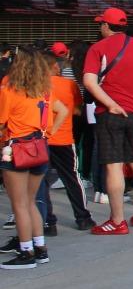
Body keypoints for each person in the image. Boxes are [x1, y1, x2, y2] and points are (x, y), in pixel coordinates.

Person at [81, 7, 133, 235]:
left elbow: (89, 82)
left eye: (101, 23)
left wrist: (110, 104)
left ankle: (117, 220)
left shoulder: (98, 48)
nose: (100, 27)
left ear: (106, 25)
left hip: (111, 115)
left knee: (114, 165)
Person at [0, 48, 69, 268]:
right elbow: (63, 111)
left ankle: (26, 251)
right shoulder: (45, 91)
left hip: (17, 149)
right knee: (30, 202)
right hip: (40, 147)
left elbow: (1, 122)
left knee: (19, 204)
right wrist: (50, 133)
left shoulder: (9, 91)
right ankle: (40, 248)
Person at [45, 57, 93, 231]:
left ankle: (48, 221)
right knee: (72, 178)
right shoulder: (69, 84)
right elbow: (78, 110)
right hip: (63, 138)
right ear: (55, 66)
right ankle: (83, 218)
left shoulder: (36, 86)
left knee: (41, 182)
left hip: (41, 139)